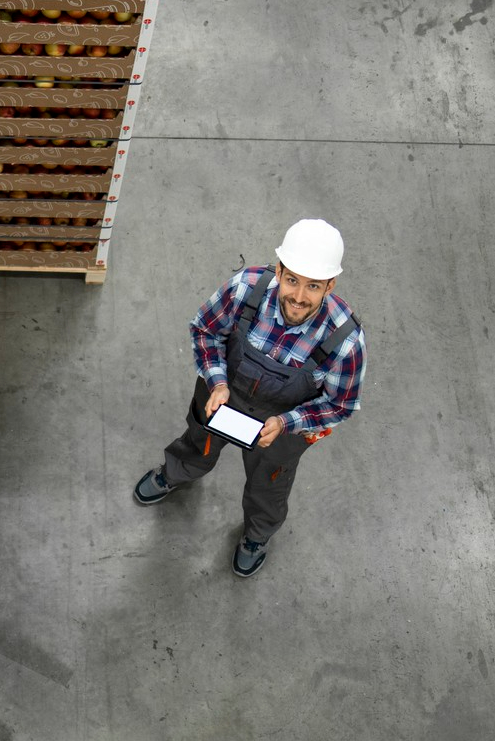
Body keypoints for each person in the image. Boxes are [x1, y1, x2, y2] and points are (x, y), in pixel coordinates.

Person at [134, 219, 366, 578]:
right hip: (224, 397)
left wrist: (287, 422)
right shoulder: (245, 289)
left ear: (330, 285)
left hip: (281, 426)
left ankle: (257, 535)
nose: (299, 297)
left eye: (313, 286)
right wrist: (217, 382)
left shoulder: (345, 341)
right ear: (279, 270)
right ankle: (176, 472)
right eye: (292, 280)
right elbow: (206, 331)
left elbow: (339, 404)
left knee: (269, 482)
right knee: (198, 443)